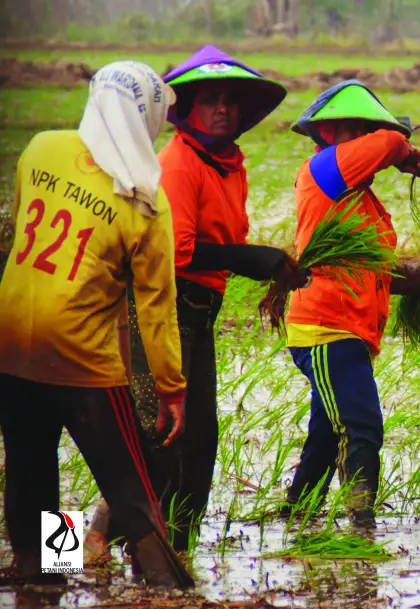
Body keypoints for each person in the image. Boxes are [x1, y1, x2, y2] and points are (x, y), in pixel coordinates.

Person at [86, 46, 305, 558]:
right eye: (210, 100)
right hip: (163, 309)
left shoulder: (228, 164)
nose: (222, 109)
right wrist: (247, 258)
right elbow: (177, 251)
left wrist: (268, 263)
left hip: (198, 311)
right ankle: (71, 556)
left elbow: (223, 240)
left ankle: (171, 554)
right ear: (186, 109)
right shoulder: (180, 162)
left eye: (230, 100)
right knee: (161, 438)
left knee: (195, 440)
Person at [0, 62, 193, 588]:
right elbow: (156, 307)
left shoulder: (40, 148)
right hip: (80, 355)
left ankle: (47, 580)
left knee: (34, 468)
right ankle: (167, 589)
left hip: (10, 342)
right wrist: (172, 388)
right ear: (148, 117)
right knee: (128, 482)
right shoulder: (145, 199)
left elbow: (18, 234)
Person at [283, 80, 420, 526]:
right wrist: (402, 150)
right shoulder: (323, 170)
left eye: (367, 131)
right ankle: (362, 524)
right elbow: (390, 141)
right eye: (355, 131)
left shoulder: (356, 196)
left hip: (350, 329)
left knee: (328, 434)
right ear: (327, 133)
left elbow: (364, 267)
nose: (365, 141)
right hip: (327, 329)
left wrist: (418, 281)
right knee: (362, 426)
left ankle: (297, 514)